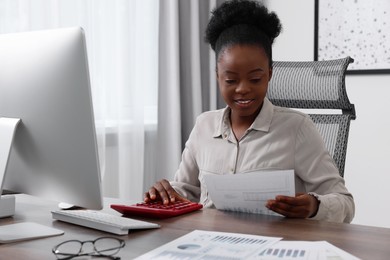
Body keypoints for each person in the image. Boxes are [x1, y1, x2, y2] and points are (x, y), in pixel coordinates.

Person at [144, 0, 354, 223]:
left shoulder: (296, 128)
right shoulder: (204, 126)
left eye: (255, 79)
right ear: (218, 76)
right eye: (231, 80)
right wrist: (165, 194)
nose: (243, 89)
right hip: (209, 244)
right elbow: (185, 191)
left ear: (270, 74)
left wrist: (314, 206)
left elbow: (345, 203)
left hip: (273, 247)